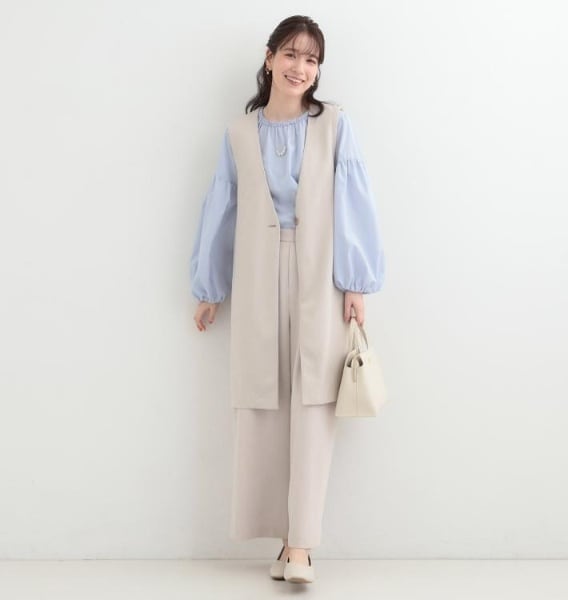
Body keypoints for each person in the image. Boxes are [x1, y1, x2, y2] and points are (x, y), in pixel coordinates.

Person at [189, 15, 385, 584]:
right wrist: (209, 288)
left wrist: (356, 282)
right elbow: (222, 206)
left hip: (320, 274)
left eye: (312, 59)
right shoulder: (239, 133)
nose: (301, 68)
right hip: (257, 273)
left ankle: (301, 546)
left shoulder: (334, 125)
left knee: (314, 402)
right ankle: (282, 540)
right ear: (270, 57)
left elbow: (353, 200)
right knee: (263, 401)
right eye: (292, 55)